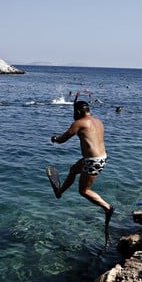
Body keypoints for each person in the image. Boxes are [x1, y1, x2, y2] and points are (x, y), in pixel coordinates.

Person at [50, 97, 114, 245]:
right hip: (100, 157)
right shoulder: (98, 121)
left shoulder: (79, 123)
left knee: (84, 191)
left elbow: (62, 139)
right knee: (73, 170)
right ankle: (59, 193)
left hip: (93, 161)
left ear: (78, 111)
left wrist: (54, 139)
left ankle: (107, 207)